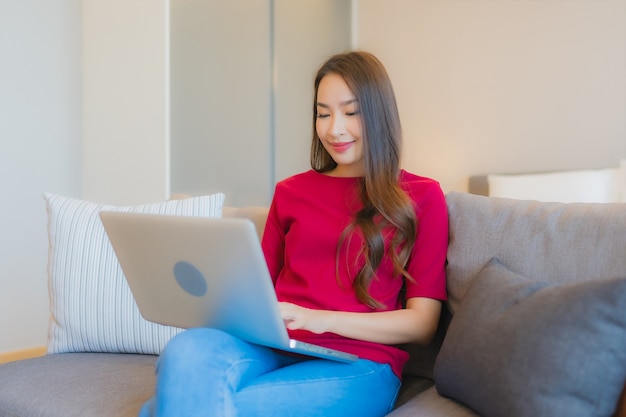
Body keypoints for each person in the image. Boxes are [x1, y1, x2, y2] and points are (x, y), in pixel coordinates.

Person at [139, 50, 448, 417]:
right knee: (186, 349)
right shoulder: (290, 192)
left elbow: (423, 324)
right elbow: (257, 290)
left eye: (351, 112)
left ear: (379, 114)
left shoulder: (422, 196)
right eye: (323, 113)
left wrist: (321, 318)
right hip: (272, 344)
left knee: (180, 408)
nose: (335, 128)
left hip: (358, 363)